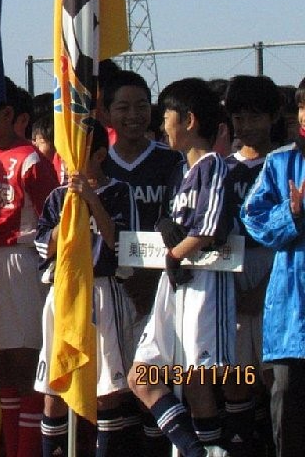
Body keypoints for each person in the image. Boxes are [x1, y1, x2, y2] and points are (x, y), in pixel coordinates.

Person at [128, 78, 233, 457]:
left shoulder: (212, 166)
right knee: (142, 376)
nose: (161, 125)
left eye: (166, 116)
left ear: (188, 120)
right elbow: (177, 225)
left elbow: (208, 228)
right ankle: (196, 450)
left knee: (195, 378)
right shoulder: (181, 172)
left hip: (203, 282)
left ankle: (209, 448)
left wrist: (174, 255)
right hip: (172, 285)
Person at [34, 120, 137, 456]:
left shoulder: (120, 191)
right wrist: (70, 210)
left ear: (99, 156)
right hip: (63, 294)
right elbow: (43, 246)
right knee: (54, 389)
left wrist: (92, 200)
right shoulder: (57, 197)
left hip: (103, 291)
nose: (68, 165)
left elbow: (119, 243)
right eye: (64, 157)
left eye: (76, 157)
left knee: (107, 389)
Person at [101, 70, 184, 454]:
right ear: (107, 113)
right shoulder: (98, 163)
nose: (133, 115)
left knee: (155, 380)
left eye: (140, 106)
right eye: (123, 107)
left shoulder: (171, 161)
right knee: (114, 389)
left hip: (160, 287)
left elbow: (181, 218)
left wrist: (152, 277)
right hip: (111, 289)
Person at [0, 77, 57, 457]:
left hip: (20, 262)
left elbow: (53, 218)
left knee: (24, 367)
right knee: (0, 370)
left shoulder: (31, 160)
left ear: (8, 114)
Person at [240, 75, 305, 457]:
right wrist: (291, 215)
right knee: (288, 406)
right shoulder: (282, 162)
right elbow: (253, 218)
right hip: (293, 318)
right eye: (303, 105)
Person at [221, 75, 280, 457]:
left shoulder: (286, 163)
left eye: (255, 116)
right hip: (231, 272)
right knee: (236, 377)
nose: (246, 125)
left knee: (276, 377)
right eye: (239, 117)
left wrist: (266, 288)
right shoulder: (222, 169)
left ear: (274, 117)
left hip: (277, 270)